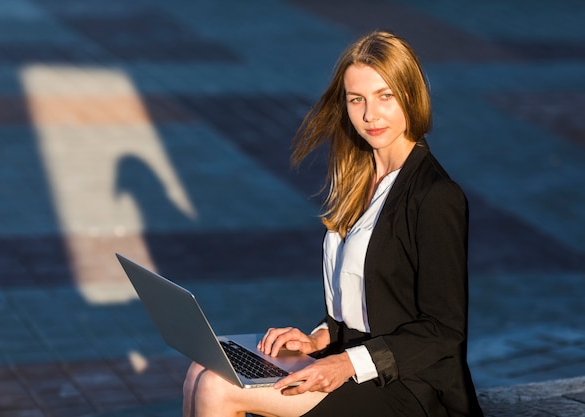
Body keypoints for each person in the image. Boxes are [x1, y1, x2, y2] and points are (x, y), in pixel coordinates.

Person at [182, 30, 484, 417]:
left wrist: (345, 364)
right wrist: (317, 338)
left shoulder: (436, 196)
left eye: (384, 96)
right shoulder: (360, 179)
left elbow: (444, 329)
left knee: (217, 388)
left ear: (410, 96)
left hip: (411, 388)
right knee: (202, 369)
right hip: (354, 362)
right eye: (356, 99)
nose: (370, 115)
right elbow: (370, 301)